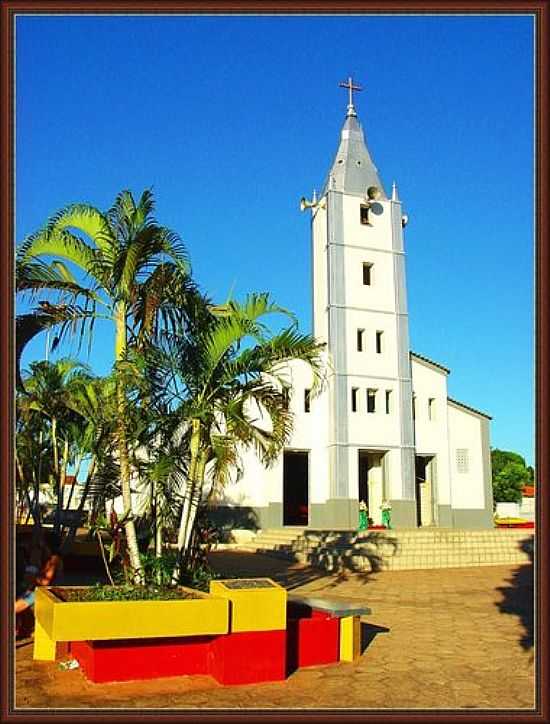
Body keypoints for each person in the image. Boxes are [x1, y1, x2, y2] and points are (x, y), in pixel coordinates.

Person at [15, 532, 63, 616]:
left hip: (41, 593)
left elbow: (45, 582)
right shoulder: (48, 558)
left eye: (42, 544)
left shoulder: (54, 560)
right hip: (36, 590)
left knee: (14, 607)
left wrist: (32, 575)